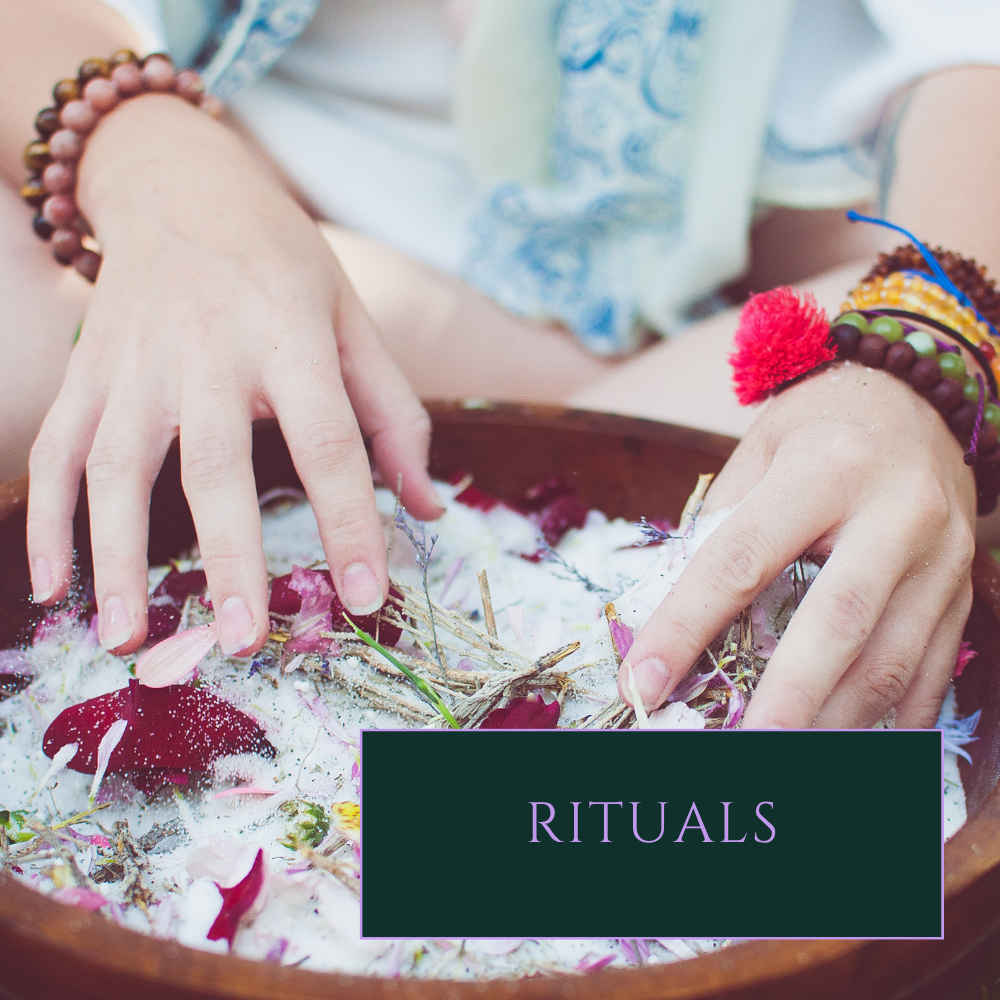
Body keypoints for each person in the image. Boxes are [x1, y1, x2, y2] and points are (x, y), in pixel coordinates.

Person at [3, 0, 999, 731]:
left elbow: (973, 59)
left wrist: (920, 363)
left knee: (888, 501)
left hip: (738, 319)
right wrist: (158, 166)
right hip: (287, 251)